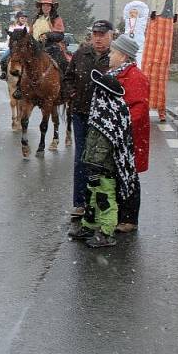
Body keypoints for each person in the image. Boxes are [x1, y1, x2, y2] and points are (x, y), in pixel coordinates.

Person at [67, 70, 138, 248]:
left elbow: (108, 145)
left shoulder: (111, 115)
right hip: (95, 166)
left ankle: (106, 232)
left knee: (104, 199)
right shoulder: (101, 113)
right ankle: (90, 226)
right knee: (92, 195)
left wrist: (96, 162)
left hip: (105, 168)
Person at [64, 20, 112, 219]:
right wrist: (72, 94)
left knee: (102, 161)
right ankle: (80, 203)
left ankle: (103, 204)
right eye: (95, 34)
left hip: (104, 118)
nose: (98, 38)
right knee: (81, 157)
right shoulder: (81, 54)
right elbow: (67, 78)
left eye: (102, 35)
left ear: (111, 36)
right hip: (81, 113)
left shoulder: (115, 57)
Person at [107, 34, 149, 233]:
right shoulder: (116, 73)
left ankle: (129, 219)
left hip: (129, 138)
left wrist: (119, 126)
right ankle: (119, 215)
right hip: (119, 136)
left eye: (113, 52)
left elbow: (138, 109)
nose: (110, 55)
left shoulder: (135, 77)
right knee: (118, 176)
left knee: (128, 177)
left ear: (123, 56)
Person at [141, 0, 178, 122]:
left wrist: (175, 13)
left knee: (164, 57)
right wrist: (154, 11)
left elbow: (175, 1)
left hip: (168, 17)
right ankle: (145, 105)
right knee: (152, 51)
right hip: (159, 15)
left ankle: (160, 108)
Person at [0, 11, 29, 80]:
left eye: (25, 18)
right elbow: (9, 38)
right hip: (14, 47)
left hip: (24, 48)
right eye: (22, 18)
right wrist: (13, 45)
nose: (24, 19)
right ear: (18, 19)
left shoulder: (27, 28)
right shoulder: (12, 27)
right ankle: (4, 72)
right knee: (3, 58)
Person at [122, 0, 149, 67]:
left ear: (138, 13)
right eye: (131, 12)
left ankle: (139, 67)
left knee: (139, 55)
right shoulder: (127, 21)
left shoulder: (141, 21)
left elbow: (145, 13)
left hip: (138, 40)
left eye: (134, 12)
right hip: (129, 40)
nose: (132, 14)